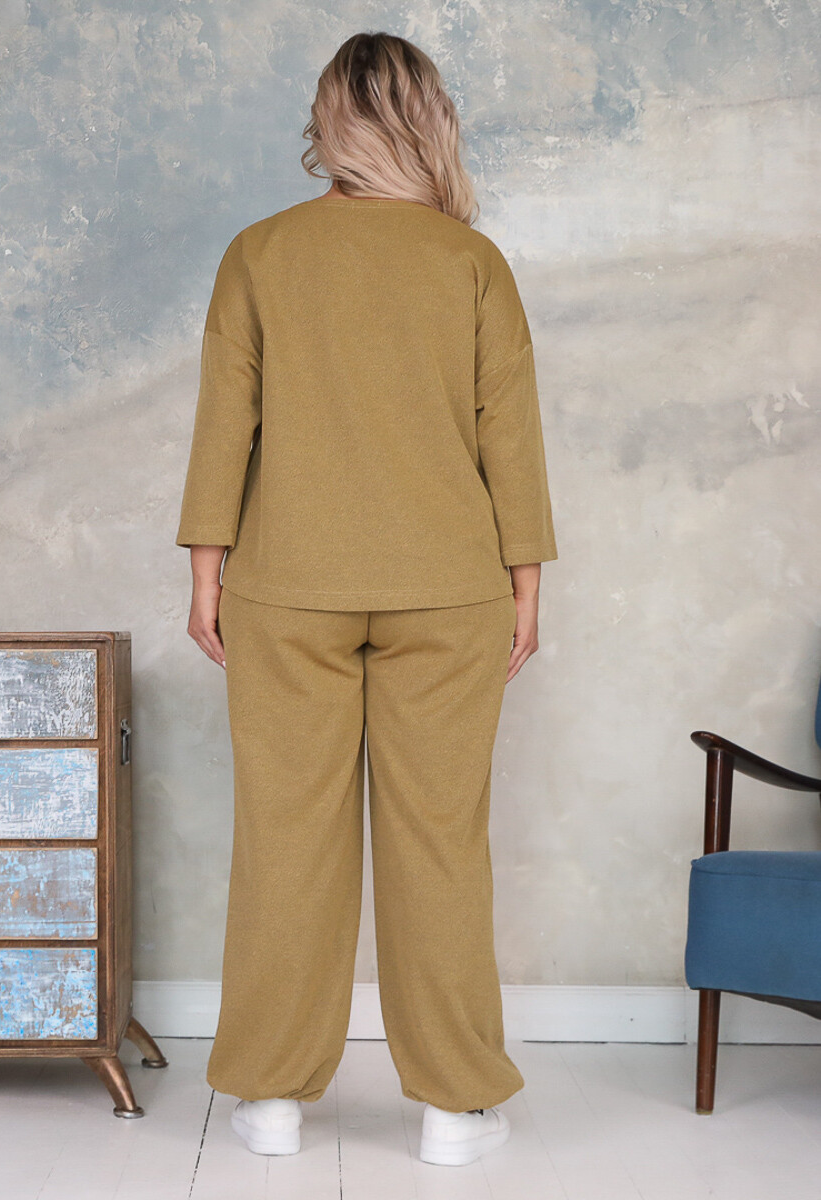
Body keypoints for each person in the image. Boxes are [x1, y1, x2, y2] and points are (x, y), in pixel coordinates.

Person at [176, 30, 558, 1168]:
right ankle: (453, 1109)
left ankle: (271, 1099)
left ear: (326, 124)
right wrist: (527, 581)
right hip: (451, 588)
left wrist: (206, 570)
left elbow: (224, 421)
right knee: (440, 843)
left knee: (286, 838)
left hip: (286, 586)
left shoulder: (260, 253)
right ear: (428, 120)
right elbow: (509, 433)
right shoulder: (471, 262)